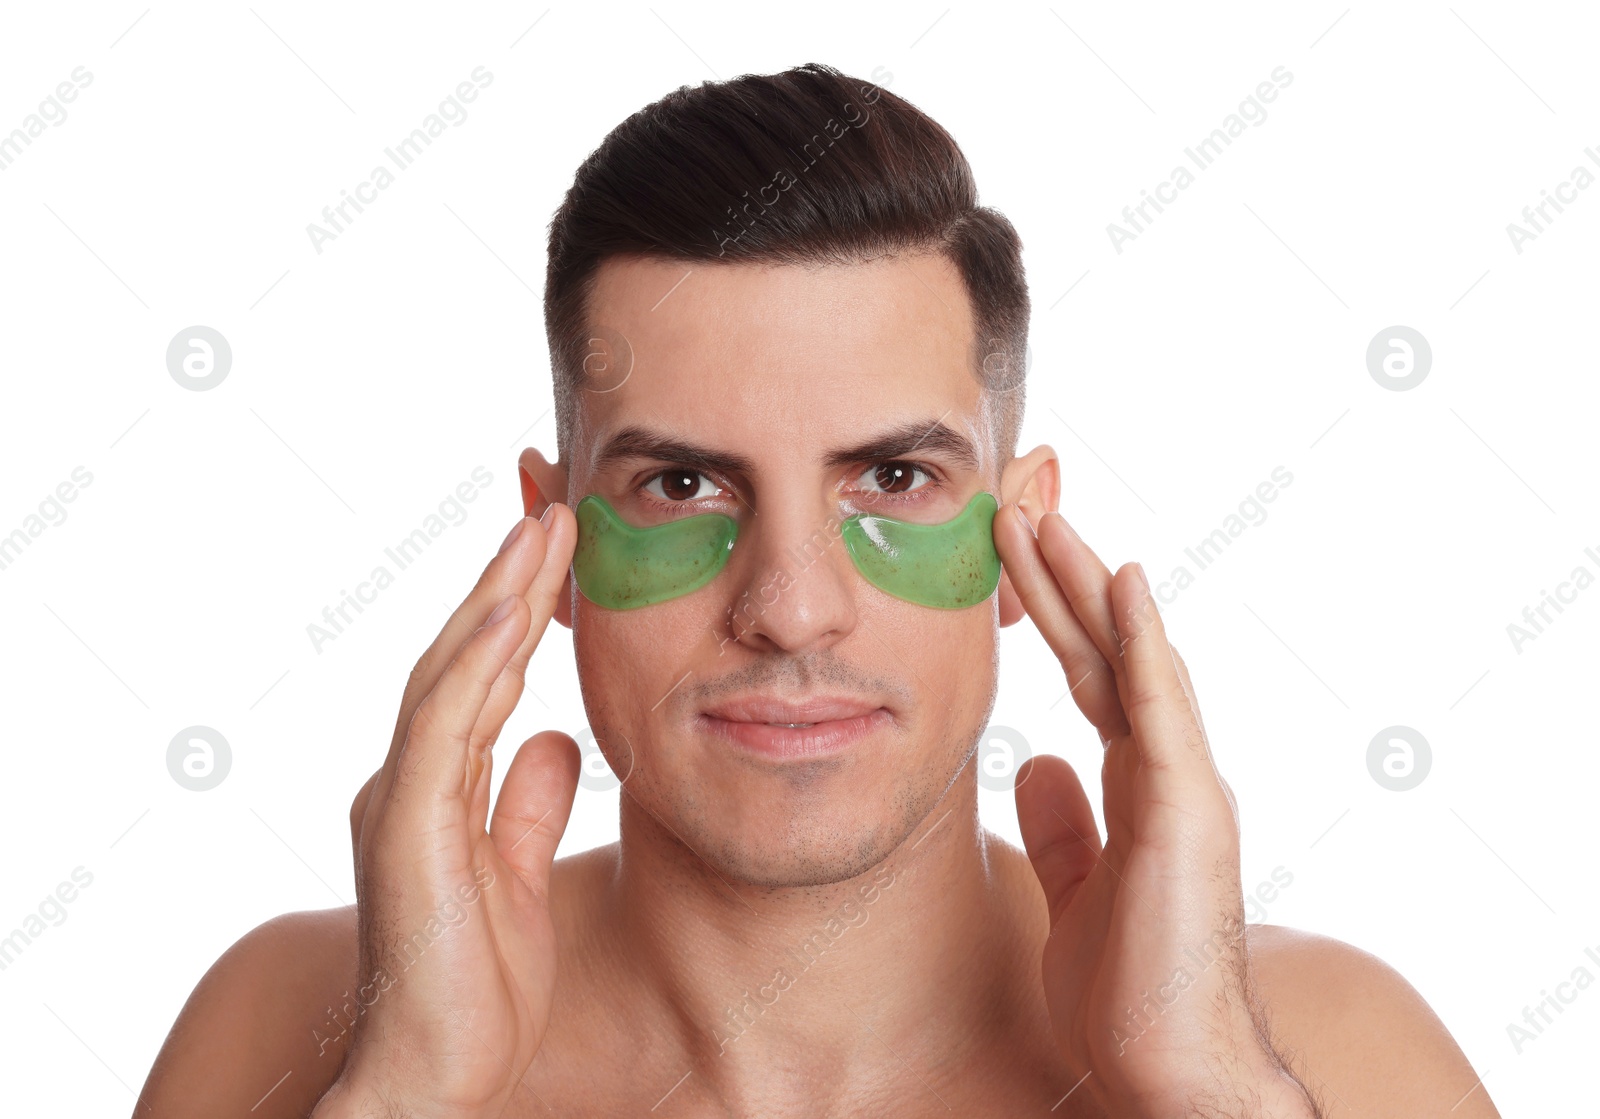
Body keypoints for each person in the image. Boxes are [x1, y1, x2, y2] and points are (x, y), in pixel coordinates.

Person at [136, 63, 1498, 1118]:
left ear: (1022, 541)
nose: (791, 608)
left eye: (893, 479)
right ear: (551, 545)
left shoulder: (1328, 1055)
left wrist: (1208, 1091)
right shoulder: (291, 1025)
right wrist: (403, 1097)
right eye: (682, 488)